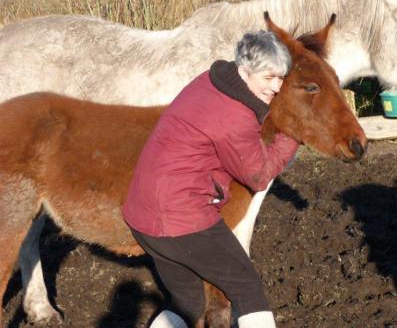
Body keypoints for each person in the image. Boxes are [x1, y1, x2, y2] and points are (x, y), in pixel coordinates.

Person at [122, 30, 299, 328]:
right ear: (244, 70)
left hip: (143, 217)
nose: (277, 87)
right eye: (269, 78)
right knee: (247, 288)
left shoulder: (209, 81)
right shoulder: (234, 114)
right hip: (180, 218)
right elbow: (258, 175)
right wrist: (290, 137)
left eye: (280, 78)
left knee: (188, 302)